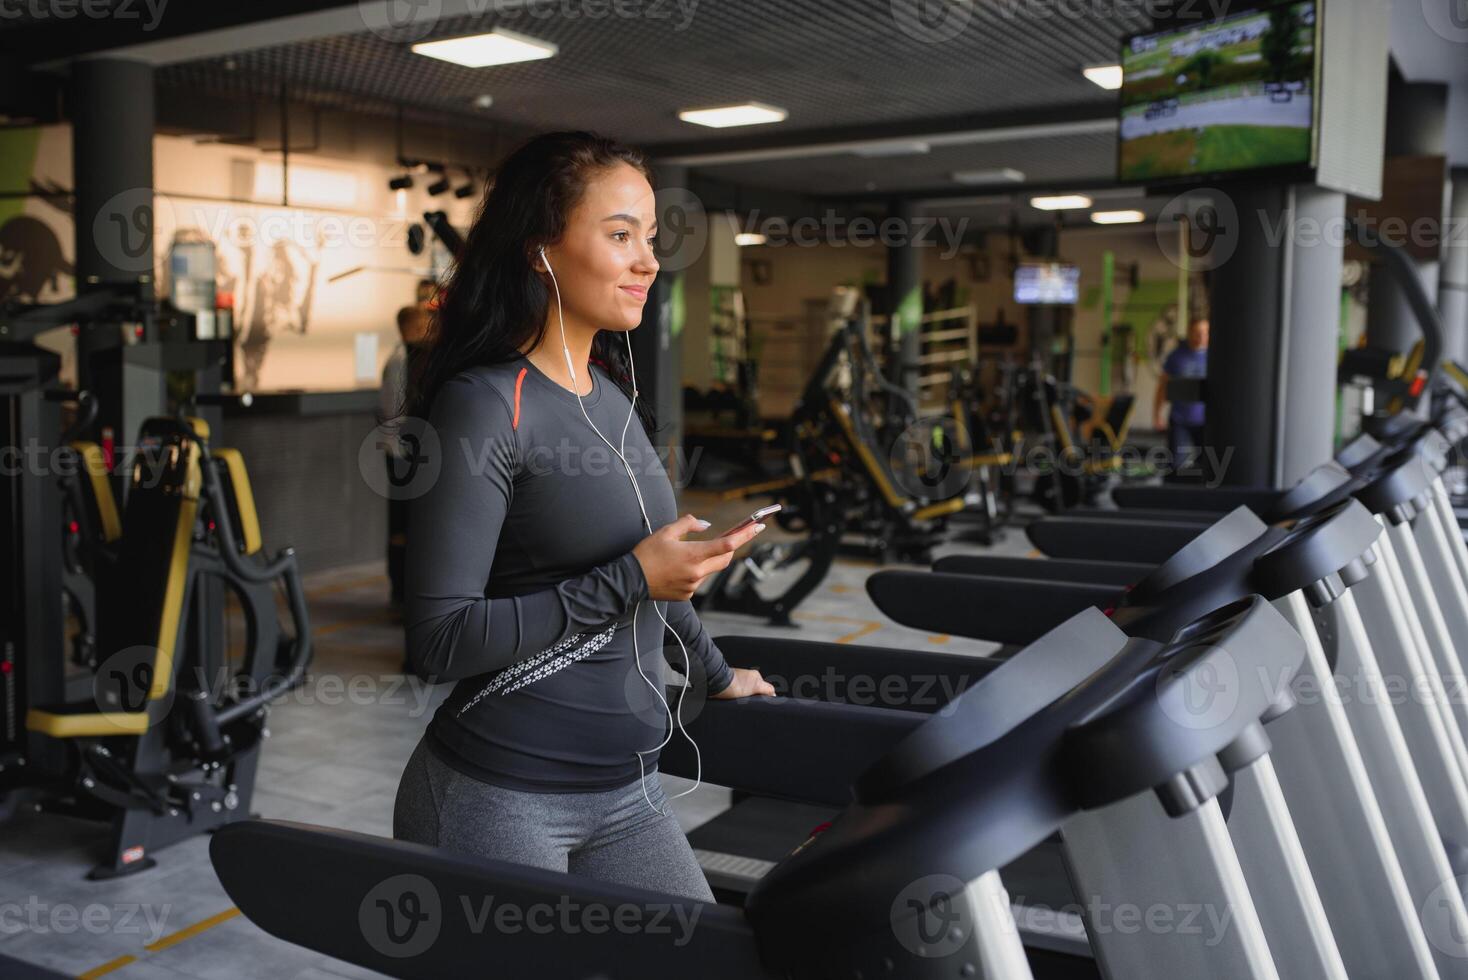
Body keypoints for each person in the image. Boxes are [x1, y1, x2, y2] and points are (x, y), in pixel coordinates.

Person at [392, 131, 775, 903]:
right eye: (620, 235)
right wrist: (632, 575)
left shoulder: (610, 394)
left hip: (627, 791)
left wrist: (715, 671)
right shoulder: (486, 404)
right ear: (542, 251)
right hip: (500, 794)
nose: (648, 260)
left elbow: (654, 583)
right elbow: (439, 641)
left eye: (651, 238)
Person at [380, 304, 432, 606]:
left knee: (405, 524)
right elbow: (395, 412)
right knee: (402, 524)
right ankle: (399, 591)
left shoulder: (407, 358)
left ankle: (401, 590)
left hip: (404, 453)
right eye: (425, 322)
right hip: (403, 456)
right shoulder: (401, 361)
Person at [1154, 316, 1209, 466]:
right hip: (1180, 421)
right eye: (1198, 332)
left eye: (1205, 333)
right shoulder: (1175, 356)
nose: (1201, 337)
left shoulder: (1214, 357)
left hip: (1205, 422)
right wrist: (1157, 414)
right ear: (1189, 332)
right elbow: (1163, 387)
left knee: (1206, 466)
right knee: (1175, 465)